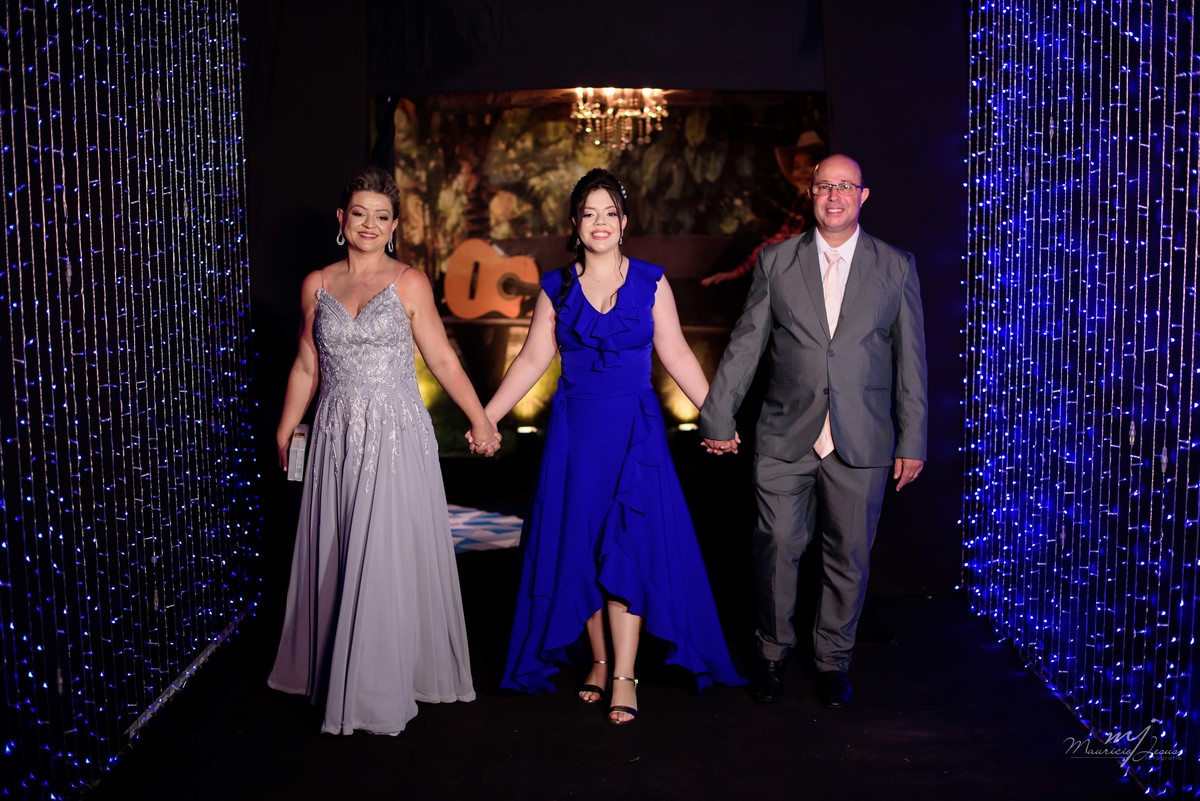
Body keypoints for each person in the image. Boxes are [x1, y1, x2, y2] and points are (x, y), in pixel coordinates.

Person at [483, 168, 745, 725]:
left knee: (627, 544)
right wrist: (487, 417)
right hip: (576, 437)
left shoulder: (652, 282)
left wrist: (718, 416)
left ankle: (625, 672)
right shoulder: (556, 287)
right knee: (579, 547)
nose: (599, 223)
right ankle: (599, 663)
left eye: (609, 213)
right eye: (589, 213)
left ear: (624, 222)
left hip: (634, 434)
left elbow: (677, 354)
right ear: (575, 224)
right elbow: (531, 360)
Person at [268, 166, 500, 735]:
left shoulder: (409, 282)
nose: (369, 224)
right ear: (341, 219)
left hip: (395, 436)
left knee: (385, 554)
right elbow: (306, 364)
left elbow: (442, 359)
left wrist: (480, 419)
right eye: (359, 213)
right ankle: (338, 676)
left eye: (381, 216)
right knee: (340, 549)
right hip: (335, 435)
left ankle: (380, 689)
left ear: (394, 226)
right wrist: (285, 428)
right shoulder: (317, 283)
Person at [700, 154, 927, 708]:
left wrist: (913, 439)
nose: (834, 195)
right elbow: (746, 345)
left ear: (863, 196)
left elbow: (911, 361)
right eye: (825, 186)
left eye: (845, 186)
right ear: (811, 194)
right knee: (776, 546)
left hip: (863, 439)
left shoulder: (896, 266)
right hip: (785, 435)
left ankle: (832, 661)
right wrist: (718, 415)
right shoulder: (776, 261)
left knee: (848, 557)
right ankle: (771, 654)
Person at [701, 132, 825, 287]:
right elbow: (782, 237)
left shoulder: (826, 204)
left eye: (809, 164)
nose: (802, 172)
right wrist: (739, 271)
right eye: (797, 167)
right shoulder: (801, 202)